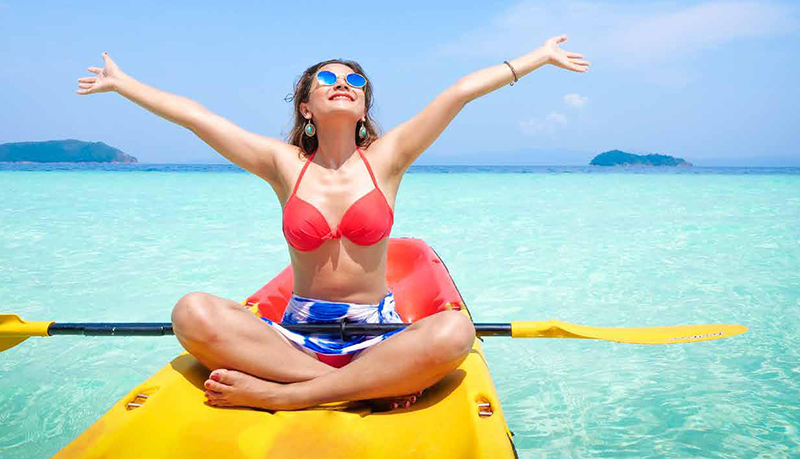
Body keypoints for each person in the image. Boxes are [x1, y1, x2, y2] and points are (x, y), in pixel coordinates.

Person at [75, 36, 589, 411]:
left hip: (380, 333)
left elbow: (458, 93)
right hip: (296, 335)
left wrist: (539, 57)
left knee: (456, 331)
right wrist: (123, 85)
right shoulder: (283, 165)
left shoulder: (387, 159)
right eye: (328, 78)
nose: (342, 84)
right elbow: (197, 117)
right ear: (306, 107)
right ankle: (350, 387)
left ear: (363, 105)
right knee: (191, 312)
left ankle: (291, 396)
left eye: (354, 80)